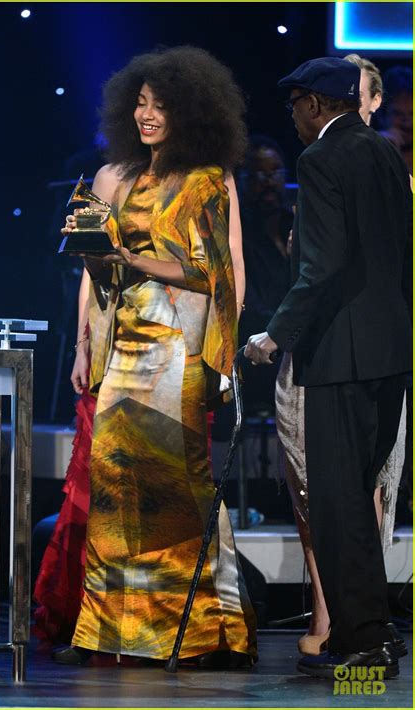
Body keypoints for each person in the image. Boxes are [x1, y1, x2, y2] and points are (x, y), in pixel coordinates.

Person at [52, 46, 257, 668]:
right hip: (126, 346)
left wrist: (223, 352)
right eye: (139, 103)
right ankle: (109, 632)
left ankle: (196, 632)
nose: (146, 114)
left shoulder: (208, 181)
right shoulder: (125, 177)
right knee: (114, 484)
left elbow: (216, 274)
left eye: (160, 105)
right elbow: (103, 275)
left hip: (181, 351)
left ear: (191, 111)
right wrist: (88, 313)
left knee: (179, 490)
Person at [245, 57, 411, 678]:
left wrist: (274, 337)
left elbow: (321, 266)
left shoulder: (320, 161)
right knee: (358, 497)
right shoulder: (386, 154)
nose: (291, 115)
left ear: (317, 104)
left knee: (338, 504)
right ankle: (375, 632)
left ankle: (364, 640)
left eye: (295, 104)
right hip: (391, 353)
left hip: (339, 354)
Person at [237, 135, 292, 413]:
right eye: (259, 173)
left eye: (275, 172)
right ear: (243, 180)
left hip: (296, 340)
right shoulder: (240, 234)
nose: (268, 181)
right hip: (259, 348)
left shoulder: (295, 223)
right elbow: (250, 302)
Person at [379, 65, 413, 174]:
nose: (407, 121)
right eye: (398, 114)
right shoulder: (370, 152)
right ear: (382, 116)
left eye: (413, 114)